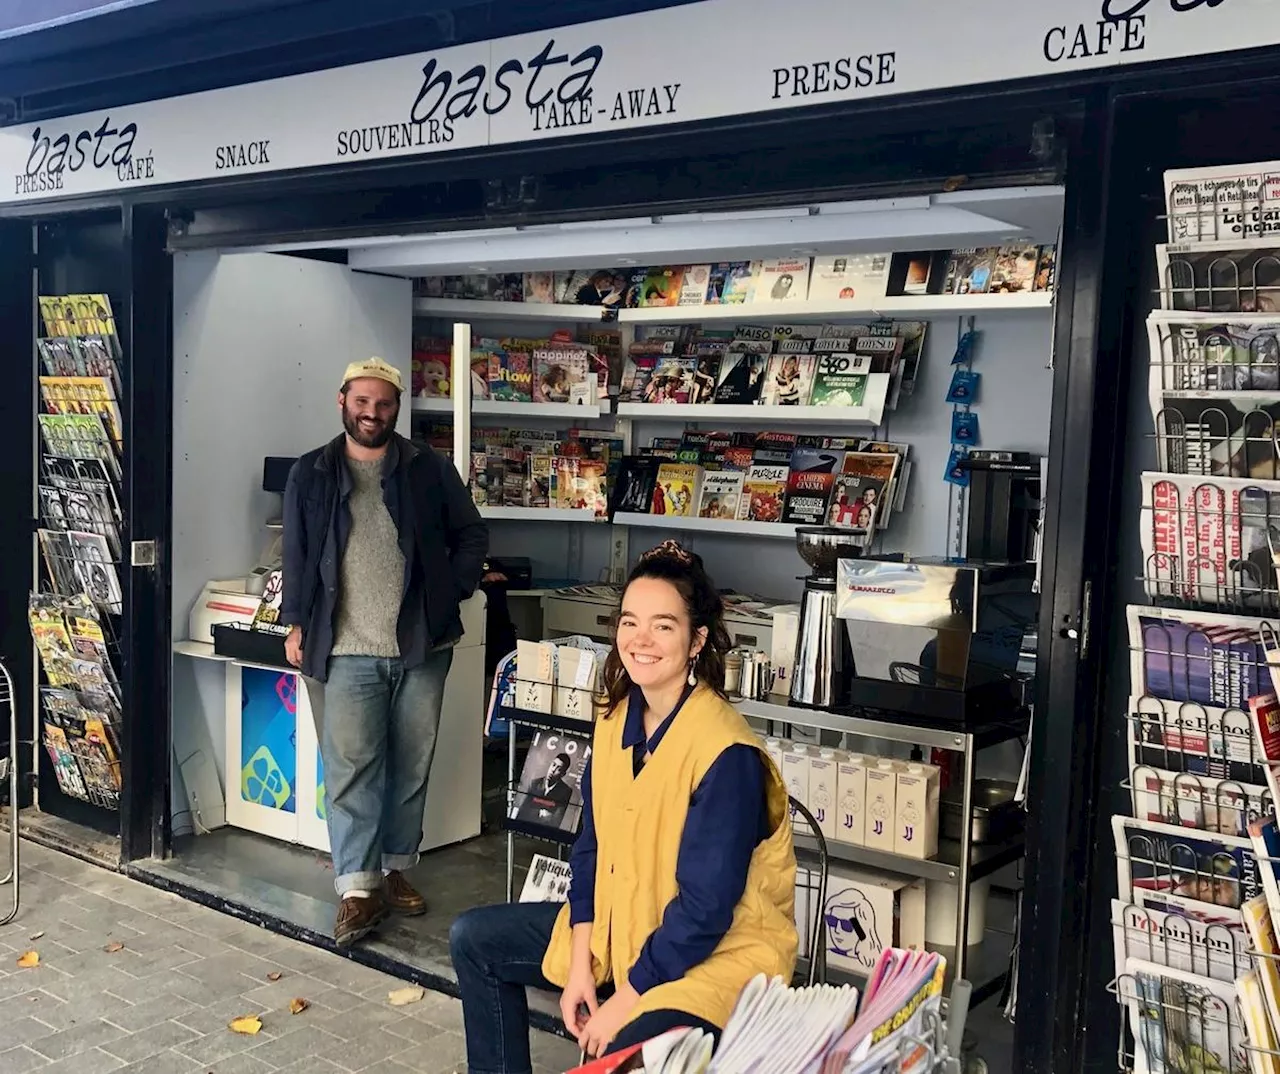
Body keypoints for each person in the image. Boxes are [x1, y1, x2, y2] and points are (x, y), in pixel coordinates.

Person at [449, 541, 797, 1072]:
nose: (641, 640)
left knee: (619, 1046)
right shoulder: (615, 720)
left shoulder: (726, 754)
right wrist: (582, 962)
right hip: (622, 925)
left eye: (663, 625)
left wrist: (625, 1000)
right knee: (474, 940)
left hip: (711, 956)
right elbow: (589, 847)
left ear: (697, 639)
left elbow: (705, 912)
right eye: (630, 622)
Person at [281, 356, 489, 947]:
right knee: (351, 772)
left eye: (385, 404)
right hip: (342, 647)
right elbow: (295, 556)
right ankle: (356, 890)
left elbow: (472, 533)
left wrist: (454, 586)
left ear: (398, 408)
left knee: (409, 766)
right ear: (342, 400)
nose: (372, 413)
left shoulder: (427, 469)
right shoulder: (312, 472)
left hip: (420, 644)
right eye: (362, 401)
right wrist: (294, 623)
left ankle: (394, 869)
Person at [514, 751, 576, 829]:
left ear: (563, 774)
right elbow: (523, 810)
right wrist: (540, 813)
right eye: (553, 765)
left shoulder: (565, 791)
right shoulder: (535, 783)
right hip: (527, 826)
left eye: (559, 769)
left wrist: (534, 811)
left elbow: (556, 819)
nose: (553, 770)